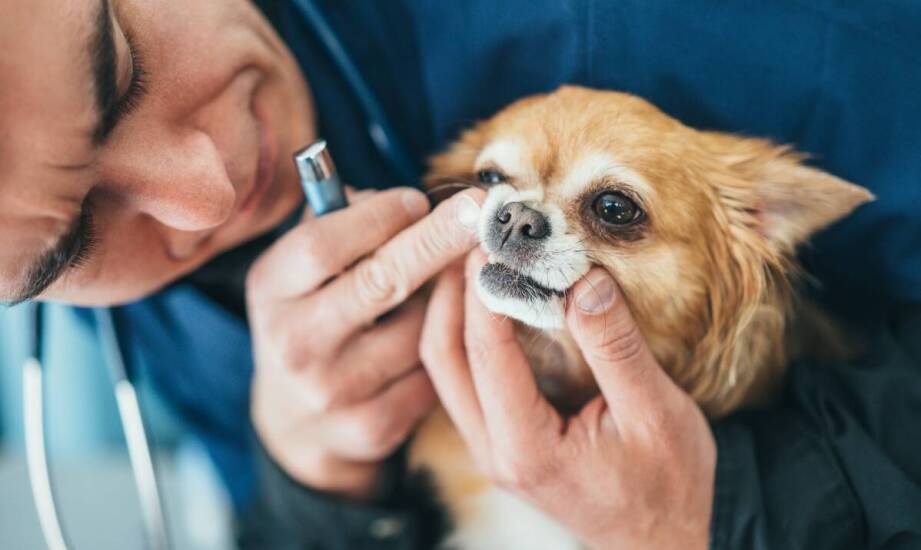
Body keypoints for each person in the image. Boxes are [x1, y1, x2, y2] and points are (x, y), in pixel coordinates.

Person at [1, 1, 920, 549]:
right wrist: (313, 489)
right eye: (73, 240)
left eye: (118, 75)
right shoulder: (135, 316)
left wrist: (728, 510)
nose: (206, 194)